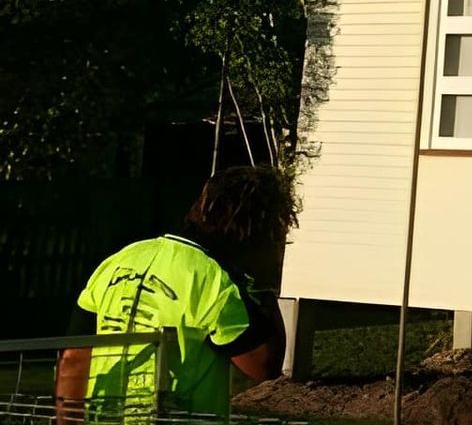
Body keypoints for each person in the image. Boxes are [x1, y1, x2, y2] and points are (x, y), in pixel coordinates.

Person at [56, 166, 298, 420]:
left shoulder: (120, 259)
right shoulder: (213, 280)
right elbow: (262, 365)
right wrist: (265, 287)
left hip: (107, 416)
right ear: (255, 231)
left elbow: (74, 358)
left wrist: (67, 420)